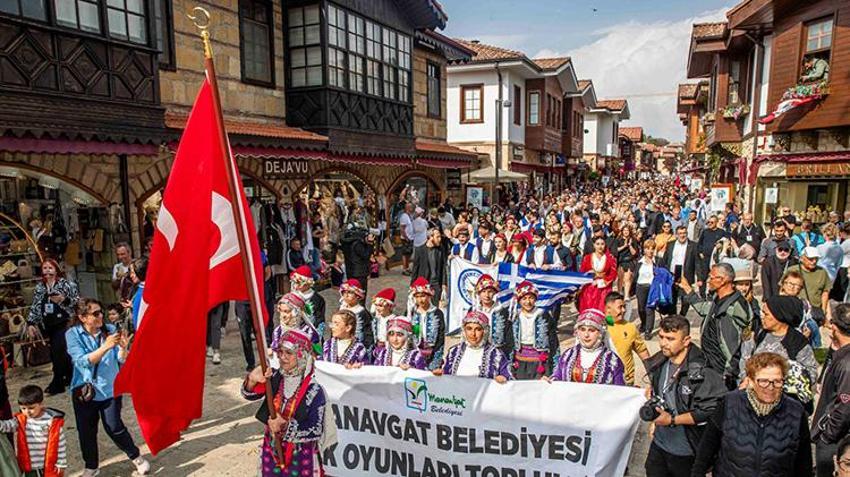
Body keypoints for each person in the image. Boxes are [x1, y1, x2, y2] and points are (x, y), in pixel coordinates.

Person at [691, 353, 812, 477]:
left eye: (777, 381)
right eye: (763, 381)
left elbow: (804, 463)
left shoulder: (796, 412)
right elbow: (706, 450)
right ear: (750, 381)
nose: (770, 387)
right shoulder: (729, 404)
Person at [66, 298, 150, 476]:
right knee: (86, 431)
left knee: (114, 427)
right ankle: (91, 466)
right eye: (95, 313)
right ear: (82, 317)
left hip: (110, 388)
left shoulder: (110, 330)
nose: (100, 316)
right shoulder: (72, 334)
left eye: (101, 311)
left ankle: (136, 457)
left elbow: (120, 359)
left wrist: (123, 349)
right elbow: (82, 361)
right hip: (84, 390)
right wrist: (106, 346)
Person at [644, 315, 725, 477]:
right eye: (661, 337)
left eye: (670, 339)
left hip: (687, 451)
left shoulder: (701, 371)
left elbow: (711, 410)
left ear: (686, 340)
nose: (663, 343)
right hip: (660, 445)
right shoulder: (661, 361)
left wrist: (673, 420)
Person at [243, 329, 328, 476]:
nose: (282, 357)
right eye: (280, 352)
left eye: (288, 353)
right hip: (272, 449)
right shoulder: (275, 377)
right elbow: (250, 395)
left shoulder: (314, 390)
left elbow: (316, 429)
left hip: (300, 456)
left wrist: (285, 425)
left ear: (302, 356)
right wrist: (251, 380)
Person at [679, 263, 752, 389]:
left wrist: (733, 368)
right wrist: (686, 288)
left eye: (711, 278)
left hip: (725, 369)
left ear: (723, 280)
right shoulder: (717, 299)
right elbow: (702, 308)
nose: (708, 281)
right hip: (710, 363)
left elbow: (746, 334)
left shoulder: (737, 304)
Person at [738, 296, 817, 410]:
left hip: (783, 406)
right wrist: (747, 379)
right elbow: (745, 360)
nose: (762, 317)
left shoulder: (797, 342)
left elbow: (810, 374)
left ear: (779, 316)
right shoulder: (758, 334)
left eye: (766, 314)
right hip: (753, 401)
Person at [25, 259, 79, 395]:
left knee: (57, 352)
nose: (47, 270)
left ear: (56, 269)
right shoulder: (40, 287)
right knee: (61, 353)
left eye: (50, 267)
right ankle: (69, 376)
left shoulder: (66, 284)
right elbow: (36, 305)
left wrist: (63, 300)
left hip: (64, 322)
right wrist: (31, 323)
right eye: (45, 268)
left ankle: (57, 382)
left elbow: (77, 302)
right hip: (48, 323)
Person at [812, 304, 850, 477]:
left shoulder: (847, 364)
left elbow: (845, 405)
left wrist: (827, 435)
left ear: (834, 327)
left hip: (837, 441)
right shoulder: (840, 355)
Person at [0, 385, 66, 476]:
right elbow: (8, 426)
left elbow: (60, 443)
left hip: (47, 465)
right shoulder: (21, 420)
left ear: (41, 404)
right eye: (23, 408)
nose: (27, 412)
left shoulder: (51, 422)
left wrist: (61, 463)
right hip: (29, 467)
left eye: (31, 408)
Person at [550, 309, 625, 385]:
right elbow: (557, 377)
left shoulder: (613, 360)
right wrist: (548, 382)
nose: (586, 335)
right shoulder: (567, 355)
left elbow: (620, 390)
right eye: (582, 329)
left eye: (591, 330)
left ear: (600, 333)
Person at [436, 310, 512, 382]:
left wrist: (503, 378)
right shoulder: (454, 352)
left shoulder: (496, 354)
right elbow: (446, 374)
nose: (473, 334)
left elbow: (507, 376)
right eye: (469, 329)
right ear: (464, 331)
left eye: (478, 329)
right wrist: (439, 375)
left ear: (485, 331)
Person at [508, 281, 552, 379]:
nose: (528, 302)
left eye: (531, 298)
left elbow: (553, 339)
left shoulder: (543, 314)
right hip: (519, 360)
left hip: (539, 361)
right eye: (524, 298)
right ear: (519, 300)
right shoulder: (514, 315)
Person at [605, 292, 650, 386]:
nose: (624, 310)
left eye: (624, 306)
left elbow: (643, 352)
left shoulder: (630, 327)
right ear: (608, 308)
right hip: (604, 382)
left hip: (626, 382)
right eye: (620, 307)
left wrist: (653, 375)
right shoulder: (600, 328)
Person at [788, 247, 832, 327]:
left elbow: (825, 293)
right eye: (810, 259)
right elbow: (783, 290)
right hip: (796, 312)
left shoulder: (822, 272)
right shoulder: (792, 270)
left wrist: (823, 312)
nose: (814, 261)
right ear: (802, 258)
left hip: (815, 314)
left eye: (816, 259)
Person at [408, 277, 445, 371]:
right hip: (416, 351)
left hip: (434, 351)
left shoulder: (437, 313)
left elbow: (441, 336)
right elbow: (413, 332)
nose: (420, 300)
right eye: (417, 296)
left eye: (423, 296)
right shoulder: (413, 313)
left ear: (429, 296)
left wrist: (436, 354)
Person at [663, 226, 698, 317]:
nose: (682, 235)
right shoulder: (670, 244)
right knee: (672, 298)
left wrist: (700, 278)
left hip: (685, 274)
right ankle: (673, 317)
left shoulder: (693, 245)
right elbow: (665, 259)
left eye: (684, 233)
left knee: (686, 298)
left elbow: (697, 262)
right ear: (676, 235)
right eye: (680, 233)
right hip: (672, 274)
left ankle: (682, 316)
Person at [578, 236, 617, 311]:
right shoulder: (587, 258)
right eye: (597, 244)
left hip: (604, 288)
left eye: (602, 244)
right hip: (589, 288)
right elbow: (582, 273)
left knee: (603, 309)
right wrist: (589, 276)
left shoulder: (610, 258)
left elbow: (613, 274)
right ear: (594, 245)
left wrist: (602, 282)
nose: (600, 246)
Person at [410, 228, 447, 305]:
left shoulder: (440, 249)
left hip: (436, 285)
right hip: (424, 284)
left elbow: (443, 268)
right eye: (438, 237)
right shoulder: (420, 250)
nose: (440, 239)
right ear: (430, 237)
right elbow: (415, 269)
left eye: (440, 237)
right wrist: (412, 285)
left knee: (435, 307)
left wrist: (444, 283)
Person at [289, 265, 327, 340]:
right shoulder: (291, 297)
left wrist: (316, 337)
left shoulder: (318, 299)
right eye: (294, 282)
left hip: (311, 336)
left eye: (298, 282)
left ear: (307, 283)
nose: (295, 285)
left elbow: (320, 320)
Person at [338, 279, 374, 351]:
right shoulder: (340, 309)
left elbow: (368, 333)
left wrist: (365, 348)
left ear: (357, 296)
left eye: (350, 292)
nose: (346, 295)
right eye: (344, 292)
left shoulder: (362, 313)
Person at [697, 216, 728, 294]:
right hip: (705, 258)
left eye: (712, 222)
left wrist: (721, 245)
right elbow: (700, 243)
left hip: (715, 259)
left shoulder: (721, 232)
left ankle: (712, 293)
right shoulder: (705, 231)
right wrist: (700, 252)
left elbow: (726, 241)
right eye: (708, 222)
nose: (710, 224)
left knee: (715, 276)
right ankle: (702, 294)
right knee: (703, 276)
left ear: (716, 222)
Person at [340, 228, 375, 297]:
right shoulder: (358, 244)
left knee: (353, 292)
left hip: (350, 271)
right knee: (360, 293)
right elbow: (366, 255)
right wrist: (370, 244)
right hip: (359, 272)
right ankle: (360, 307)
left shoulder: (347, 243)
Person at [635, 240, 659, 338]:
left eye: (652, 248)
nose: (650, 251)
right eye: (648, 248)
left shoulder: (657, 261)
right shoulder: (640, 262)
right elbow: (635, 275)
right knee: (641, 308)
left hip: (652, 287)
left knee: (650, 308)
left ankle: (648, 330)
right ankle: (644, 323)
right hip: (640, 286)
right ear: (644, 250)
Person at [614, 225, 639, 299]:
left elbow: (634, 253)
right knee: (620, 278)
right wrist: (624, 246)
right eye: (624, 230)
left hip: (629, 261)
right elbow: (616, 250)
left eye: (627, 230)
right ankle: (619, 293)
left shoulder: (633, 240)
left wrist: (630, 245)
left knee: (627, 278)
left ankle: (626, 295)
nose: (626, 232)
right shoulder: (618, 240)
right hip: (621, 261)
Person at [370, 287, 397, 352]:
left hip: (389, 349)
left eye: (380, 306)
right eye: (376, 305)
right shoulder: (376, 319)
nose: (378, 308)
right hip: (377, 348)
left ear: (389, 306)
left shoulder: (394, 320)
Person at [398, 202, 414, 275]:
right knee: (405, 254)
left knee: (408, 254)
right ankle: (404, 269)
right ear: (407, 208)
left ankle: (407, 267)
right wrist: (406, 237)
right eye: (410, 207)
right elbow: (402, 228)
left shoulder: (409, 215)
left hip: (410, 237)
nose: (412, 208)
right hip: (406, 238)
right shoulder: (404, 216)